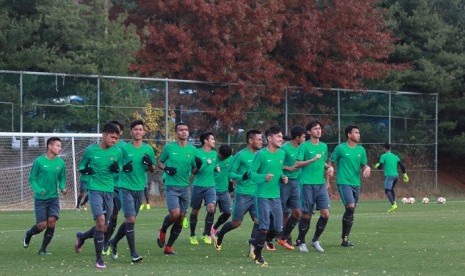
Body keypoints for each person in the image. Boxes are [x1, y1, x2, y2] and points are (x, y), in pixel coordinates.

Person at [75, 122, 122, 269]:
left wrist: (117, 170)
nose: (114, 140)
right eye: (112, 137)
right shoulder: (91, 150)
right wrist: (86, 170)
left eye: (116, 138)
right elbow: (81, 166)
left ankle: (82, 237)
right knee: (101, 222)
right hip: (94, 189)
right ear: (104, 135)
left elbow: (119, 171)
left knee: (103, 227)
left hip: (109, 191)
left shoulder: (117, 152)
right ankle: (99, 260)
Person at [108, 120, 157, 263]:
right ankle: (134, 254)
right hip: (125, 187)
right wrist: (124, 168)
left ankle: (114, 241)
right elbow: (114, 166)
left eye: (140, 129)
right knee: (131, 219)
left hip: (139, 188)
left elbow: (153, 169)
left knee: (131, 220)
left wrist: (149, 164)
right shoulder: (123, 148)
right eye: (135, 129)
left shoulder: (148, 149)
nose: (138, 132)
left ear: (144, 132)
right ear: (131, 132)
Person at [212, 129, 262, 259]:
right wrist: (243, 176)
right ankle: (220, 234)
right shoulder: (241, 155)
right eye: (259, 139)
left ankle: (252, 248)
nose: (262, 142)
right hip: (243, 195)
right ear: (251, 141)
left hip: (257, 195)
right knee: (236, 223)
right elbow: (231, 174)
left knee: (259, 221)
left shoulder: (261, 155)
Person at [156, 122, 198, 255]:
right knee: (175, 214)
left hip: (186, 187)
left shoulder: (193, 150)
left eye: (186, 130)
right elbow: (159, 162)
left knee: (181, 217)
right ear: (176, 133)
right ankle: (162, 230)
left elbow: (195, 170)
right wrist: (166, 168)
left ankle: (169, 247)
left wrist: (199, 167)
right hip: (171, 186)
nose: (184, 132)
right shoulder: (169, 148)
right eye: (181, 130)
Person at [249, 126, 288, 267]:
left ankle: (255, 241)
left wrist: (283, 177)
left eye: (281, 137)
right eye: (278, 136)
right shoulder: (261, 155)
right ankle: (258, 256)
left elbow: (278, 171)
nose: (281, 139)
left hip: (275, 196)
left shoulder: (281, 154)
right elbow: (251, 174)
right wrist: (263, 177)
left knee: (278, 229)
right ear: (269, 138)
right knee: (264, 228)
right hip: (262, 196)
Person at [293, 120, 334, 253]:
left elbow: (322, 162)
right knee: (306, 215)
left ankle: (315, 240)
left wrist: (329, 168)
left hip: (320, 184)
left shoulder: (323, 146)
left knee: (325, 214)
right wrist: (311, 160)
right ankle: (301, 241)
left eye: (320, 129)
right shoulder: (304, 146)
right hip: (307, 184)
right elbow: (297, 164)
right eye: (315, 129)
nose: (319, 131)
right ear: (309, 132)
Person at [23, 137, 67, 256]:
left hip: (54, 198)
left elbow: (62, 178)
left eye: (60, 146)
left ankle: (43, 249)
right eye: (57, 145)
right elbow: (32, 179)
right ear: (50, 146)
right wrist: (38, 189)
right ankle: (29, 234)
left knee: (52, 222)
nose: (60, 148)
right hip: (40, 200)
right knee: (42, 226)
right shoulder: (39, 161)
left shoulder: (61, 163)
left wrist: (63, 187)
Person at [330, 125, 370, 247]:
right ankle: (345, 238)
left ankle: (345, 238)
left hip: (356, 183)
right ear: (349, 134)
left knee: (351, 210)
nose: (358, 135)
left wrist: (367, 168)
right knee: (351, 207)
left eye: (359, 133)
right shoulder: (340, 148)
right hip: (343, 182)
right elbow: (330, 163)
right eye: (356, 133)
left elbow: (364, 165)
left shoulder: (361, 150)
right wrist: (329, 171)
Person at [276, 125, 306, 250]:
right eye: (304, 137)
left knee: (297, 213)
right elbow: (277, 165)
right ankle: (272, 235)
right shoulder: (284, 149)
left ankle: (284, 236)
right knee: (279, 211)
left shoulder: (302, 148)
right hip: (284, 183)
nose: (305, 139)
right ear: (297, 137)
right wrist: (288, 168)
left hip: (295, 183)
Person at [188, 132, 217, 245]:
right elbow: (193, 172)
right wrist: (202, 165)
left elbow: (214, 166)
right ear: (205, 141)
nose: (214, 141)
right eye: (212, 139)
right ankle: (192, 235)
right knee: (195, 211)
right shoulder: (197, 152)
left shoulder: (215, 154)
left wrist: (216, 168)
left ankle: (206, 234)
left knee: (211, 208)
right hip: (198, 186)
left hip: (211, 186)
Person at [103, 120, 125, 255]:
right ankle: (103, 242)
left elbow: (125, 165)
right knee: (105, 217)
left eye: (117, 132)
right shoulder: (103, 146)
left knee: (114, 217)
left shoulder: (123, 147)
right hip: (104, 186)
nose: (114, 137)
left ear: (121, 133)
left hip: (119, 187)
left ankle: (105, 241)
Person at [374, 143, 409, 212]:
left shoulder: (383, 156)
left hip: (389, 176)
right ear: (389, 148)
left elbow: (380, 167)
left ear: (384, 148)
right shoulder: (395, 156)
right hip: (396, 176)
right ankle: (394, 202)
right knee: (391, 189)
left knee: (387, 190)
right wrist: (405, 174)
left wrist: (377, 166)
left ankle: (393, 204)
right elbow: (402, 165)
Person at [210, 145, 233, 242]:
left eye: (226, 157)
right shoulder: (213, 158)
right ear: (219, 153)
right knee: (211, 210)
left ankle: (214, 228)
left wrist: (231, 182)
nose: (224, 159)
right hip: (212, 189)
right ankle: (207, 234)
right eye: (223, 156)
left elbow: (233, 171)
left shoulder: (231, 159)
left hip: (224, 191)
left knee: (228, 212)